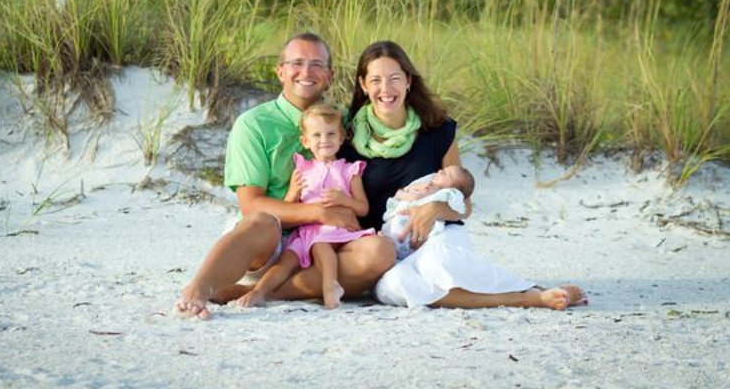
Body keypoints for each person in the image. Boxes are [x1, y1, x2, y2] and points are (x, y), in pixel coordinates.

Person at [340, 40, 587, 310]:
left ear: (408, 81)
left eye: (394, 78)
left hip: (437, 237)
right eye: (375, 80)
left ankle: (530, 294)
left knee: (440, 262)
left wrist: (435, 208)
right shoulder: (345, 139)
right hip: (387, 252)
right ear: (363, 85)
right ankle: (528, 296)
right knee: (395, 286)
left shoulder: (438, 130)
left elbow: (464, 205)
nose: (385, 89)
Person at [176, 33, 395, 319]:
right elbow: (251, 205)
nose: (306, 72)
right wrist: (318, 213)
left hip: (328, 248)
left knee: (381, 252)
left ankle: (258, 293)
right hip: (271, 247)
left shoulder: (342, 121)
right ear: (280, 71)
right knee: (262, 221)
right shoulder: (254, 124)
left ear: (329, 75)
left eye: (317, 64)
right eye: (297, 63)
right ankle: (198, 291)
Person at [236, 103, 373, 309]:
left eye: (330, 134)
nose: (324, 140)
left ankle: (330, 288)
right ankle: (259, 292)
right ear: (305, 141)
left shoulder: (349, 171)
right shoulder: (302, 169)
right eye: (317, 135)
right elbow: (288, 208)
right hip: (305, 231)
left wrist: (345, 201)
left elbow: (363, 208)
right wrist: (292, 192)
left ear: (342, 137)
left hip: (334, 229)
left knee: (321, 245)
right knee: (286, 260)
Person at [382, 164, 474, 260]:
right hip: (391, 229)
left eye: (447, 174)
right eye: (443, 170)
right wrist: (411, 193)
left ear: (455, 189)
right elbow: (399, 195)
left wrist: (436, 206)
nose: (440, 171)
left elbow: (462, 207)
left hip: (416, 238)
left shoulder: (447, 194)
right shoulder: (424, 183)